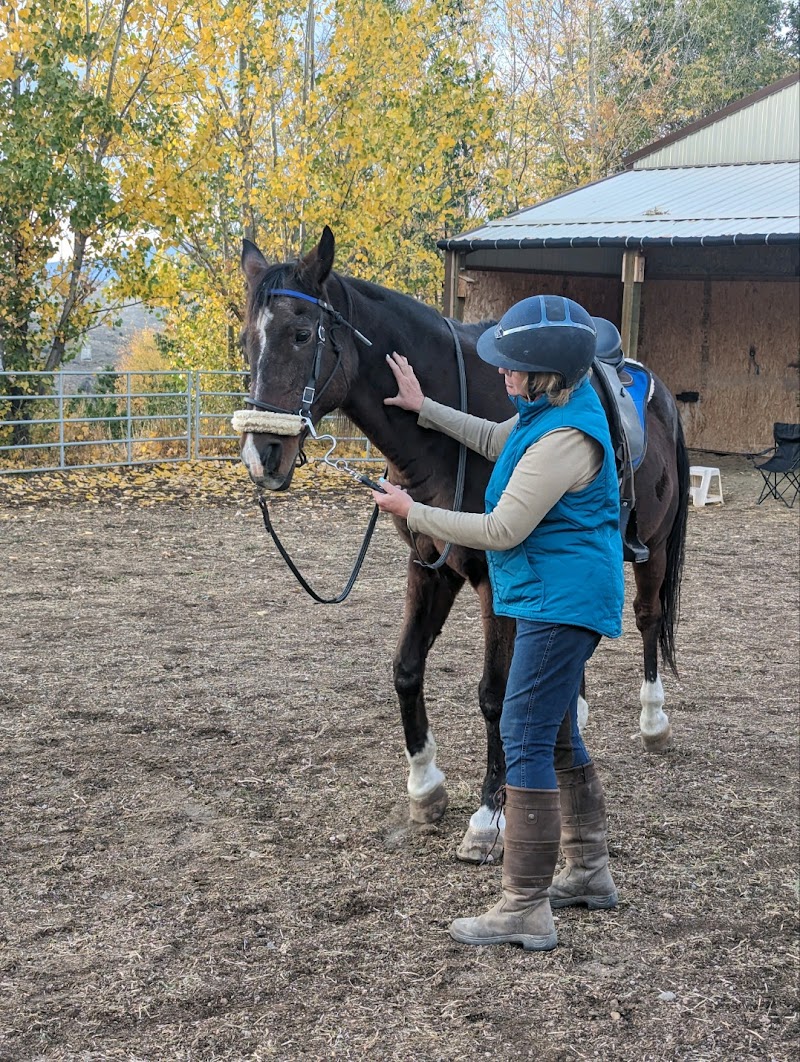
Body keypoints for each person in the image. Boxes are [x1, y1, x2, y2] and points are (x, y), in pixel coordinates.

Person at [372, 294, 625, 952]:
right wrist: (421, 408)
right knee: (558, 733)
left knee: (523, 732)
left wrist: (412, 511)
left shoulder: (565, 438)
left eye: (513, 366)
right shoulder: (550, 414)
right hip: (555, 595)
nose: (502, 374)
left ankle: (524, 905)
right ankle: (590, 873)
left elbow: (501, 529)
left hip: (558, 603)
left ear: (543, 372)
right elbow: (491, 438)